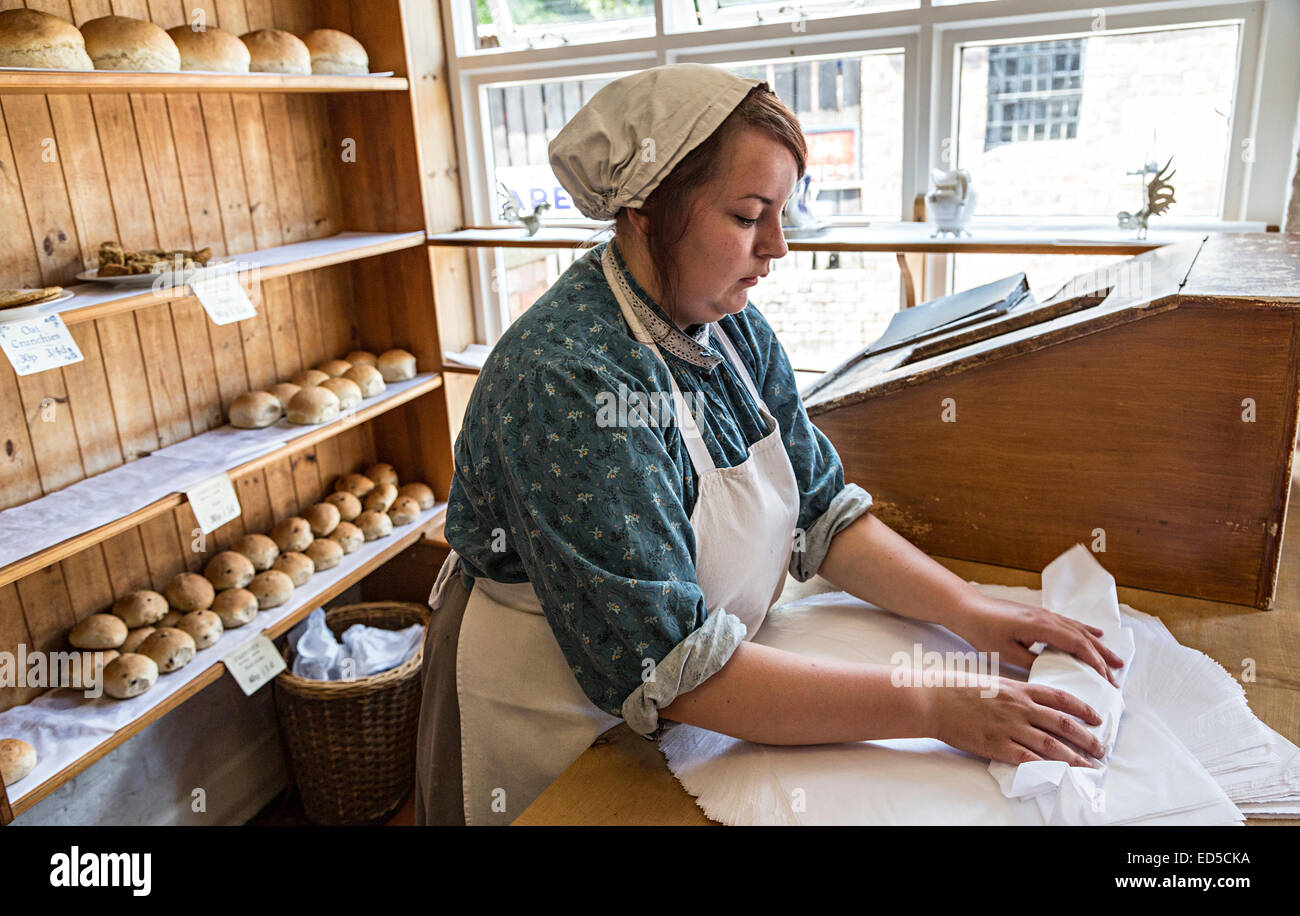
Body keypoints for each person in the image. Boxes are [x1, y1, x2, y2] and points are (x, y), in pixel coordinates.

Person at [414, 62, 1124, 826]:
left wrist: (973, 614)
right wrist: (935, 705)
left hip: (704, 696)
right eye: (750, 215)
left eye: (784, 212)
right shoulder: (569, 381)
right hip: (557, 720)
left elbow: (825, 514)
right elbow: (674, 673)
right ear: (646, 210)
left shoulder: (728, 323)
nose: (779, 246)